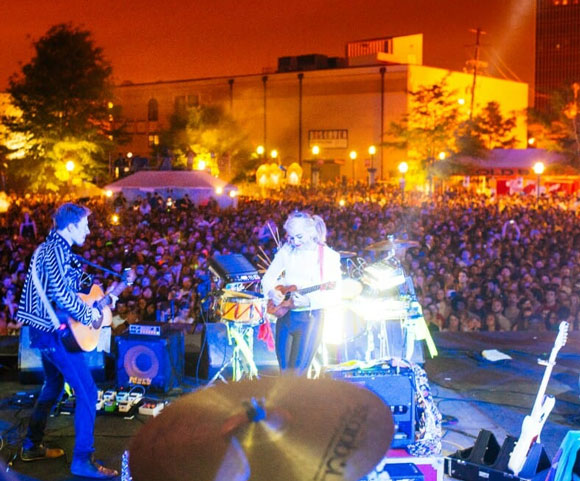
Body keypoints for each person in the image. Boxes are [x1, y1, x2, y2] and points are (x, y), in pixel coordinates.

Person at [16, 203, 118, 479]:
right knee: (88, 393)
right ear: (71, 226)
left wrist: (103, 300)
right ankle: (82, 460)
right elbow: (62, 295)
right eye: (85, 224)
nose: (88, 229)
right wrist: (89, 315)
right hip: (55, 333)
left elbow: (80, 283)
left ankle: (32, 445)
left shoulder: (58, 250)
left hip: (45, 331)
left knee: (54, 384)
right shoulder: (55, 251)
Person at [262, 211, 341, 375]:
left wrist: (309, 302)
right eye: (290, 237)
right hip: (285, 316)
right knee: (284, 373)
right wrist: (272, 292)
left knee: (297, 375)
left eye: (299, 236)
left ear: (311, 232)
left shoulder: (328, 256)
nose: (294, 241)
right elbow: (267, 278)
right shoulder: (287, 251)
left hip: (310, 319)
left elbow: (335, 293)